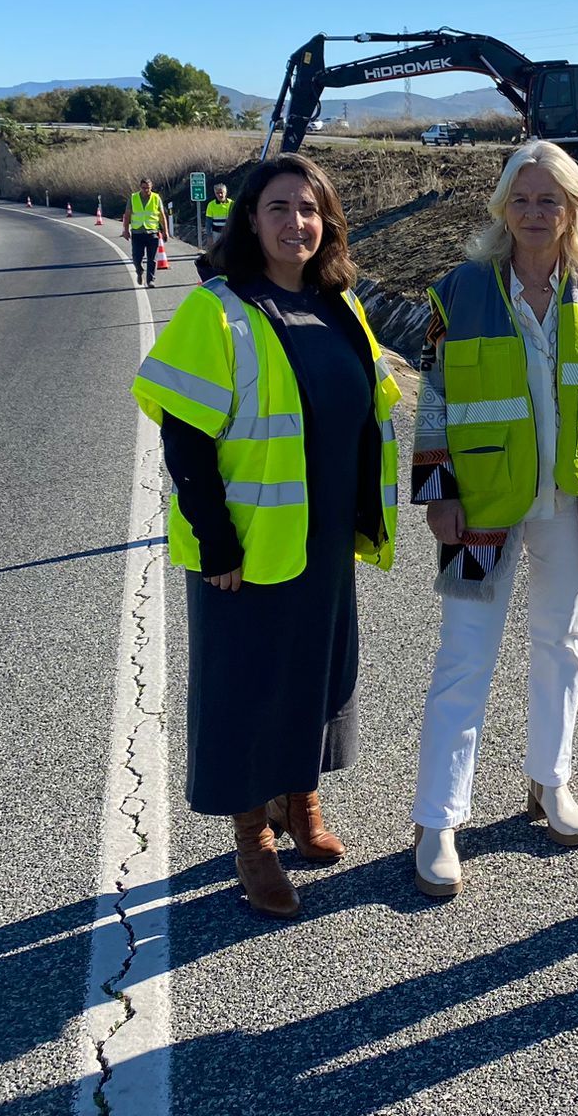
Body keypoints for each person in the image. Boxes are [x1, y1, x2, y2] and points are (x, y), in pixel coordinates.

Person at [130, 154, 401, 919]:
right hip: (246, 545)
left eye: (309, 209)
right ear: (250, 218)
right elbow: (184, 436)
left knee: (314, 675)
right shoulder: (216, 309)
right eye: (279, 207)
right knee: (246, 687)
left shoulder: (340, 305)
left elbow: (370, 410)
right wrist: (216, 542)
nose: (296, 223)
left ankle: (299, 799)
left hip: (323, 536)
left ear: (328, 222)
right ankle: (253, 836)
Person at [408, 140, 578, 899]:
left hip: (573, 500)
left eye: (551, 200)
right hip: (480, 505)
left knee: (561, 647)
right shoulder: (461, 290)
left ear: (575, 209)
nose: (536, 212)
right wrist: (438, 491)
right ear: (502, 207)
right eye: (523, 198)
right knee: (464, 657)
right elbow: (435, 396)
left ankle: (550, 781)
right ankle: (439, 820)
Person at [123, 177, 169, 288]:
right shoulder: (133, 198)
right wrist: (126, 230)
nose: (146, 190)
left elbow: (162, 215)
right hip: (137, 233)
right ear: (140, 187)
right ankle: (139, 271)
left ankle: (150, 280)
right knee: (136, 257)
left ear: (151, 187)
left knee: (152, 259)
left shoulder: (156, 198)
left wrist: (165, 231)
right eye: (143, 188)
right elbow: (127, 215)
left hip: (152, 232)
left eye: (148, 188)